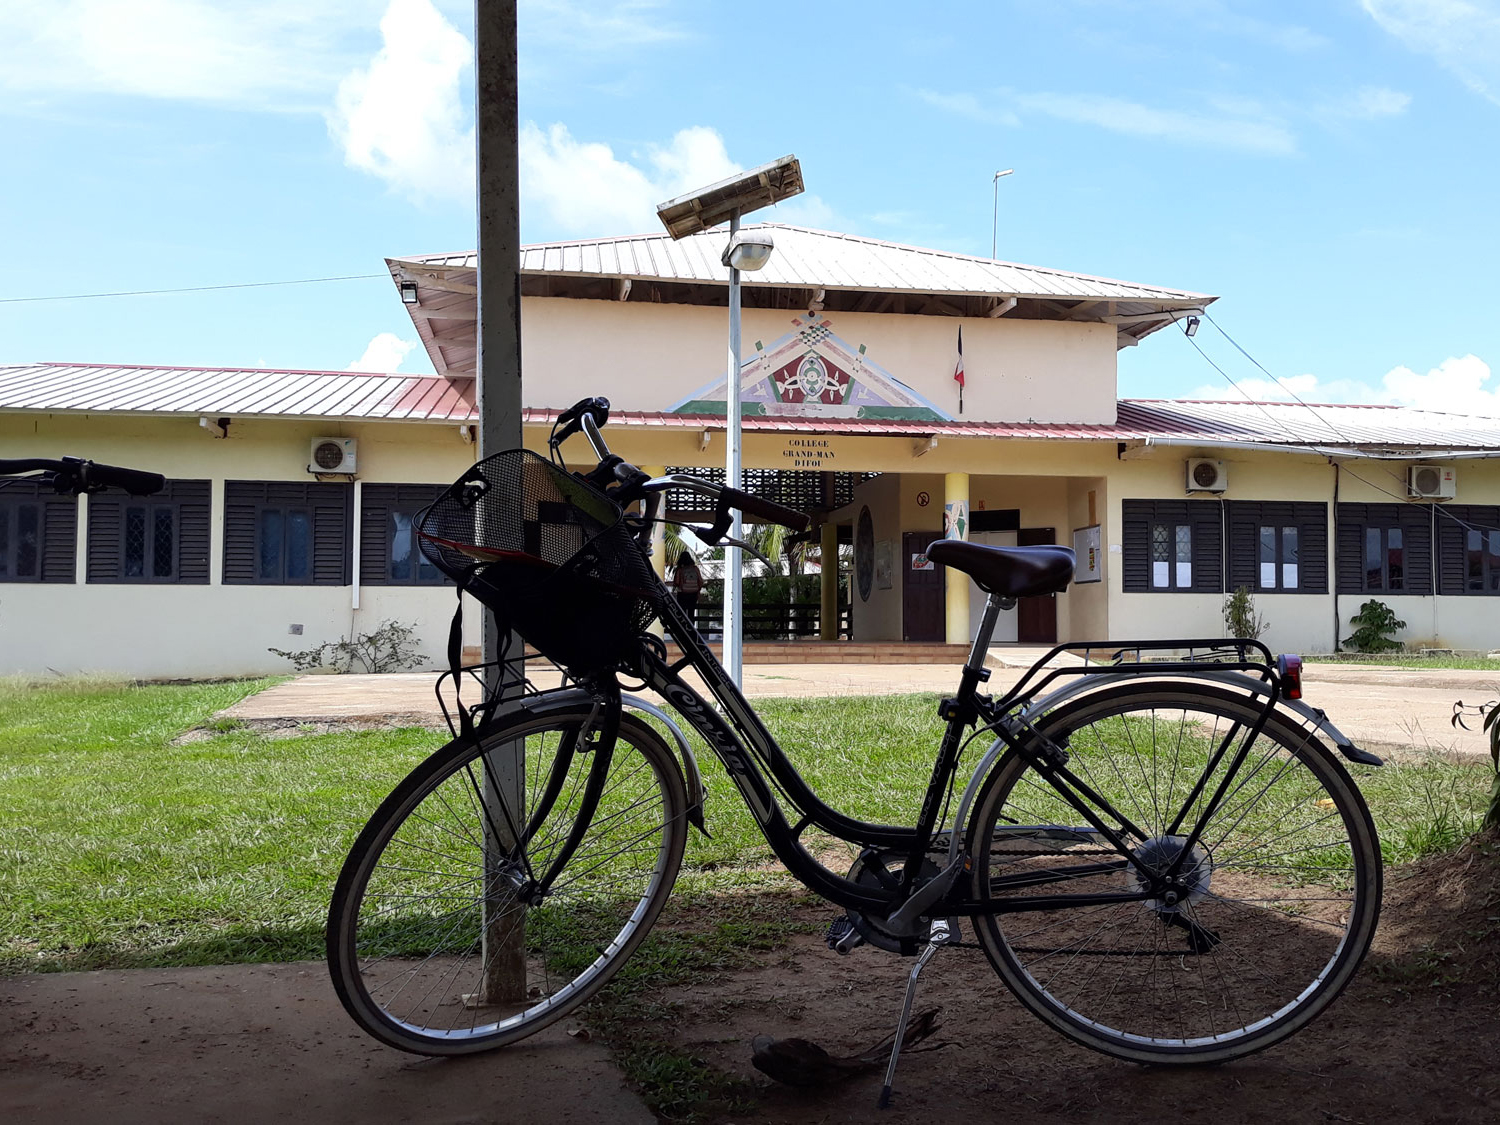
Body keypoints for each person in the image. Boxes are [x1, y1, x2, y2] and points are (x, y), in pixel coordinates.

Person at [671, 550, 703, 619]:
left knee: (682, 613)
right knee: (691, 613)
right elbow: (700, 581)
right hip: (693, 594)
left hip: (683, 594)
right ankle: (691, 627)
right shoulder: (695, 569)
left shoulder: (680, 570)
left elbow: (676, 582)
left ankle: (683, 628)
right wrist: (698, 591)